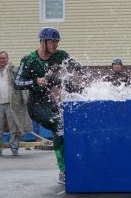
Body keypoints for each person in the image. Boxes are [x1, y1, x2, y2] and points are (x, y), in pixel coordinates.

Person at [14, 27, 82, 184]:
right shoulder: (29, 59)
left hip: (49, 100)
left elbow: (75, 66)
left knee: (66, 127)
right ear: (43, 41)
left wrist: (81, 76)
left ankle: (73, 165)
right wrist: (35, 81)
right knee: (59, 127)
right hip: (35, 104)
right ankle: (63, 172)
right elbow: (17, 83)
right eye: (53, 41)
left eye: (57, 42)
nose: (55, 45)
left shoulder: (59, 55)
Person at [0, 51, 31, 156]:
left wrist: (25, 99)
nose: (2, 60)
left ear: (7, 58)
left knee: (13, 126)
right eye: (0, 58)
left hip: (11, 103)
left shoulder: (13, 70)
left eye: (3, 58)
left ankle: (14, 148)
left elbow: (21, 81)